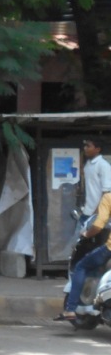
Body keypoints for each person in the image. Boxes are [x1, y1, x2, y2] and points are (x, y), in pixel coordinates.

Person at [59, 190, 111, 321]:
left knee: (81, 266)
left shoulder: (108, 197)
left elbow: (99, 225)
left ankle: (70, 310)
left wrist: (87, 234)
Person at [81, 136, 111, 216]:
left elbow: (107, 192)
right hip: (87, 210)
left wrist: (97, 211)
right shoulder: (88, 164)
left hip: (98, 213)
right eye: (85, 146)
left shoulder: (103, 165)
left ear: (97, 149)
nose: (85, 148)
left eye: (88, 146)